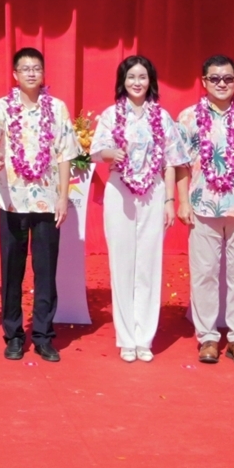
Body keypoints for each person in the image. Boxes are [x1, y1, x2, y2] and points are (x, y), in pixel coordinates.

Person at [0, 47, 78, 362]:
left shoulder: (57, 108)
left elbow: (65, 154)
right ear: (15, 74)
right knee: (12, 269)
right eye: (25, 68)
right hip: (11, 200)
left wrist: (63, 196)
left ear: (43, 72)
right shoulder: (1, 106)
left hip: (47, 200)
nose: (31, 73)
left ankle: (43, 335)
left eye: (36, 68)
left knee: (45, 270)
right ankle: (13, 335)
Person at [177, 54, 234, 366]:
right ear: (203, 82)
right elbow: (179, 164)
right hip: (203, 205)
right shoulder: (188, 117)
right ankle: (207, 337)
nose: (222, 83)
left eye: (228, 78)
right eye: (215, 78)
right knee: (204, 273)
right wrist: (182, 201)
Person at [89, 55, 181, 363]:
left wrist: (170, 201)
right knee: (122, 262)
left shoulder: (162, 117)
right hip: (120, 190)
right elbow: (95, 152)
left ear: (150, 81)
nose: (137, 82)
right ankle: (126, 337)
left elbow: (171, 162)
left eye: (142, 77)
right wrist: (109, 153)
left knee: (149, 263)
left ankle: (145, 337)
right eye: (131, 77)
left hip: (154, 191)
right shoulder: (111, 115)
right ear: (123, 81)